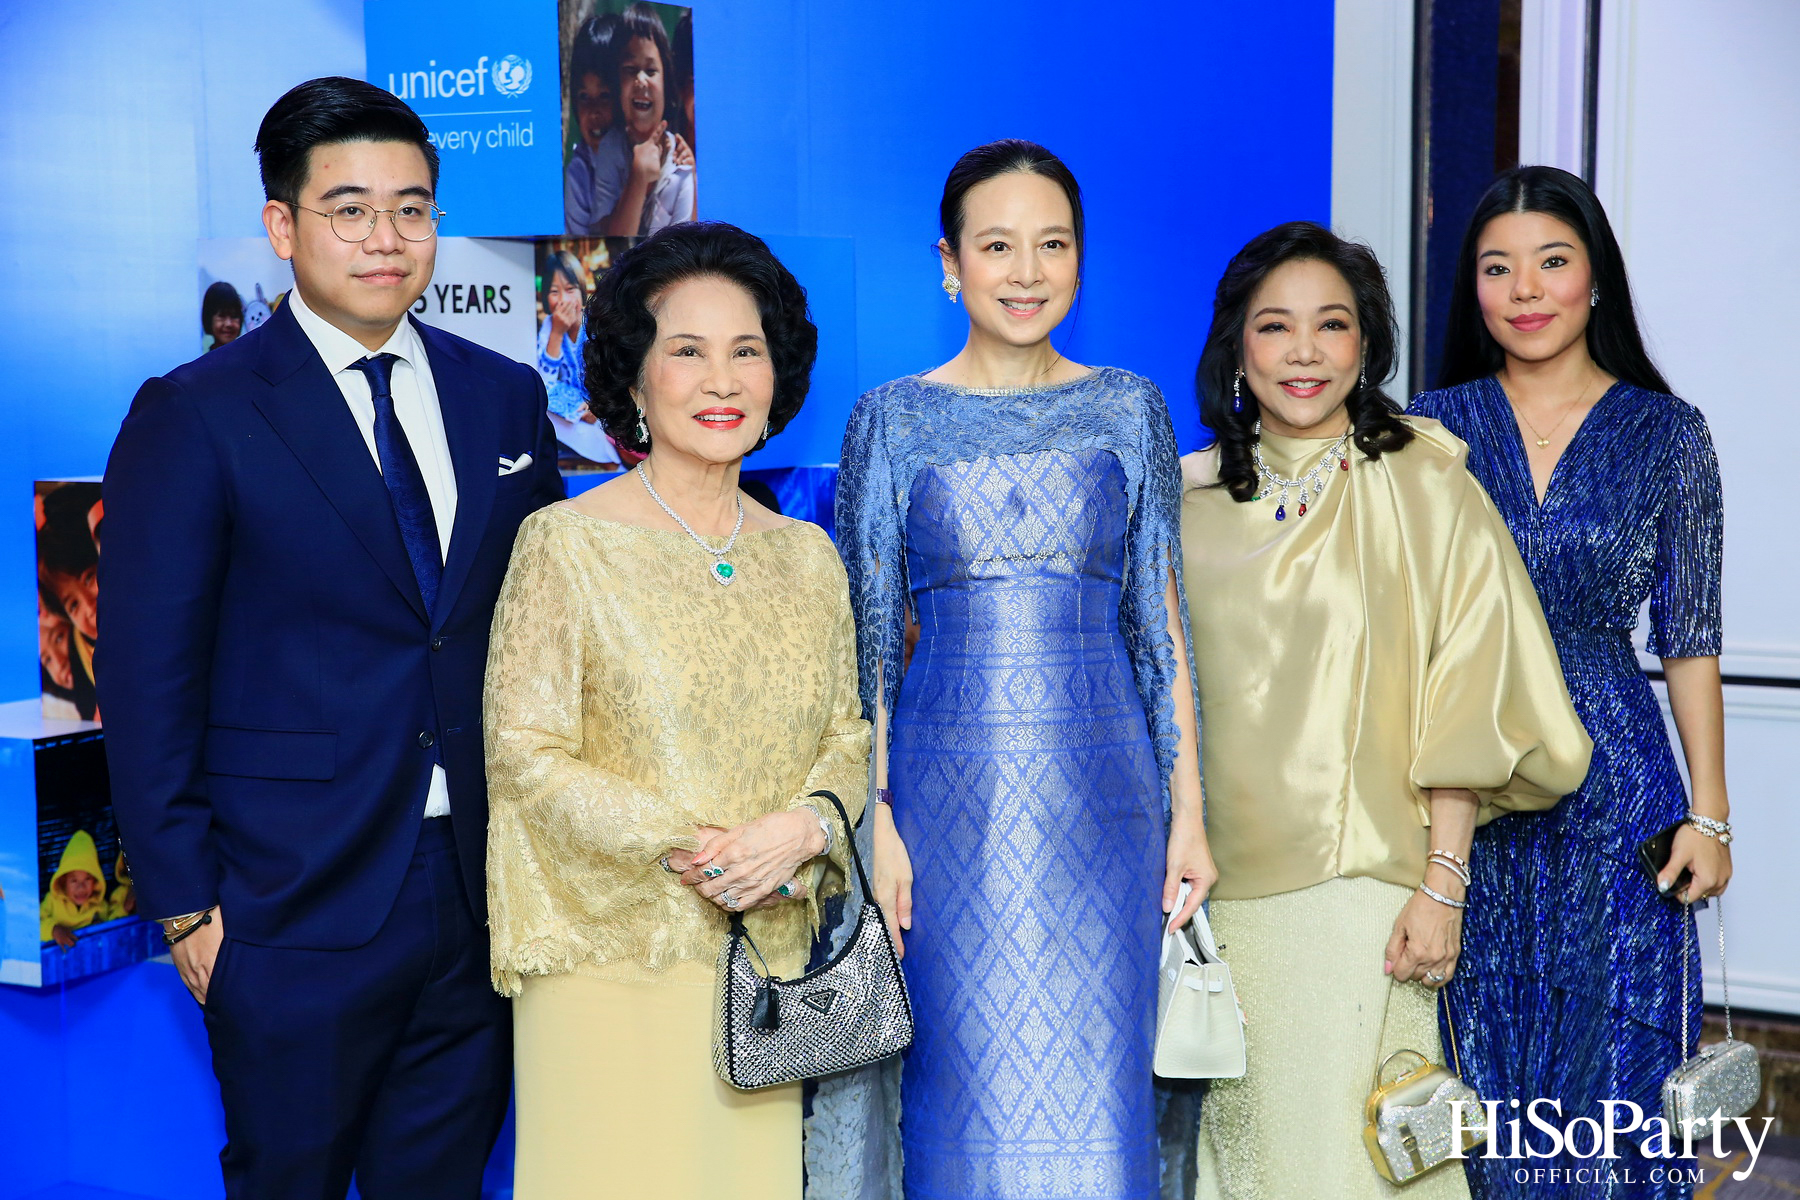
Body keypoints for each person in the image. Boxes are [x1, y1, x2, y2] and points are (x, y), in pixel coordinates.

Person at [98, 76, 563, 1199]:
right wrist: (185, 902)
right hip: (286, 897)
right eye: (349, 209)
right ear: (283, 226)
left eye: (413, 208)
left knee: (442, 1180)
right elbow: (148, 672)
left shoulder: (503, 395)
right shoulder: (199, 408)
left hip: (481, 886)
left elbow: (542, 626)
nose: (387, 239)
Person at [826, 139, 1210, 1200]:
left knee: (1099, 1111)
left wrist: (1190, 813)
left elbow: (1160, 630)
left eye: (1052, 245)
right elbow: (865, 648)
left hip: (1108, 813)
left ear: (1082, 261)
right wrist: (878, 817)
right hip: (949, 826)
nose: (1027, 271)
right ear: (950, 262)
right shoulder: (892, 418)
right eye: (998, 246)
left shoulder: (1129, 406)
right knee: (962, 1108)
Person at [1180, 222, 1592, 1199]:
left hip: (1367, 901)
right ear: (1237, 344)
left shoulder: (1422, 482)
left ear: (1366, 343)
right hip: (1218, 912)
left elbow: (1471, 687)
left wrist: (1442, 882)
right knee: (1248, 1168)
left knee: (1363, 1164)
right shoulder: (1185, 501)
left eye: (1333, 325)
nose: (1305, 352)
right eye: (1276, 327)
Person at [485, 221, 869, 1199]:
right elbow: (524, 754)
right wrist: (695, 845)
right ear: (634, 379)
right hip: (608, 961)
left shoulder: (808, 557)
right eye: (687, 351)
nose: (723, 380)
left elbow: (847, 736)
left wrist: (801, 829)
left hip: (764, 973)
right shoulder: (566, 544)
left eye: (747, 351)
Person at [1409, 165, 1729, 1200]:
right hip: (1469, 791)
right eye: (1498, 269)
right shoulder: (1428, 429)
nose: (1526, 289)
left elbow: (1690, 638)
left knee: (1620, 1079)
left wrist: (1710, 818)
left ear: (1596, 279)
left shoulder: (1667, 433)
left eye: (1553, 261)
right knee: (1478, 1075)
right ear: (1475, 291)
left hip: (1619, 788)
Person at [579, 3, 696, 237]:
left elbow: (686, 250)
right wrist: (638, 177)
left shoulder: (681, 164)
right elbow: (611, 242)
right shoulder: (611, 147)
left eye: (651, 71)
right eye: (630, 70)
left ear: (668, 84)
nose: (641, 80)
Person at [537, 248, 621, 467]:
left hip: (604, 412)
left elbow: (614, 374)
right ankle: (606, 456)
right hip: (574, 416)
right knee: (539, 401)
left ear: (582, 292)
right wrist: (556, 333)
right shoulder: (549, 326)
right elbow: (543, 380)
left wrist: (598, 405)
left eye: (570, 289)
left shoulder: (596, 324)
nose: (563, 299)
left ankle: (613, 455)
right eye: (555, 292)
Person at [562, 12, 622, 237]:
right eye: (584, 97)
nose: (593, 111)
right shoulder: (579, 174)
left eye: (605, 95)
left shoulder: (659, 153)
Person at [40, 830, 116, 948]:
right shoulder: (52, 900)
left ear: (96, 880)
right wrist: (53, 929)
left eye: (87, 879)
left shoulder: (100, 905)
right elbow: (33, 925)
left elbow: (115, 926)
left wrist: (101, 925)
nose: (81, 887)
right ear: (63, 882)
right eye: (74, 881)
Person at [203, 280, 244, 350]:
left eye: (234, 316)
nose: (229, 324)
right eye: (222, 316)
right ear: (209, 319)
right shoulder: (205, 360)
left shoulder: (249, 359)